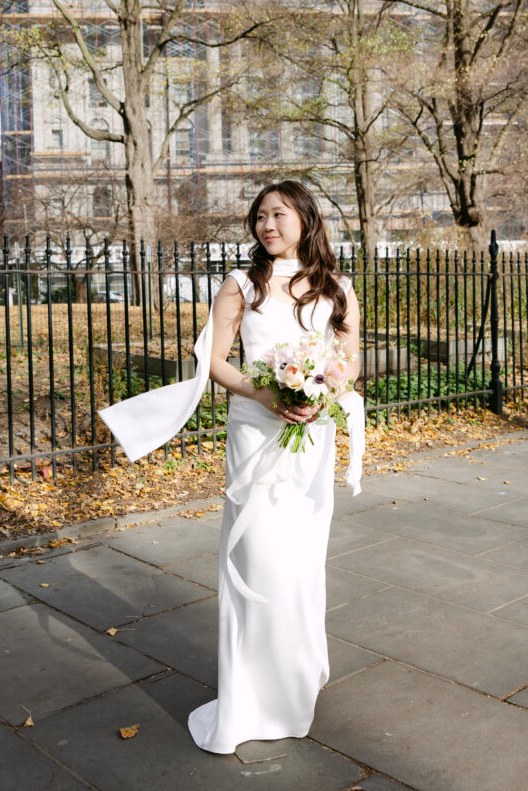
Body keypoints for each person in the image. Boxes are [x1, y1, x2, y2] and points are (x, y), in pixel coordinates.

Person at [99, 179, 365, 754]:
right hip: (255, 427)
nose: (268, 225)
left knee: (300, 561)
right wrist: (265, 395)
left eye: (279, 214)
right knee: (260, 557)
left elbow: (348, 360)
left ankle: (295, 674)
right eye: (260, 217)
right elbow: (213, 361)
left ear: (306, 219)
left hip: (311, 436)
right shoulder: (242, 285)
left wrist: (320, 395)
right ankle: (251, 695)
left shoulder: (337, 288)